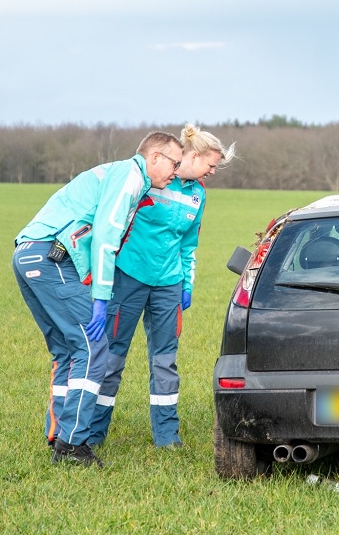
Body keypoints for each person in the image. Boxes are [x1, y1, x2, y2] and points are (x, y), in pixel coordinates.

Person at [12, 131, 184, 466]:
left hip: (28, 255)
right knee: (94, 349)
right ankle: (74, 446)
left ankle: (59, 437)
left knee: (66, 350)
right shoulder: (130, 176)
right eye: (174, 163)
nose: (176, 172)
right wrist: (101, 299)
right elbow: (106, 236)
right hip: (51, 258)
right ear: (154, 157)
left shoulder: (119, 173)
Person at [87, 124, 235, 448]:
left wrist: (187, 284)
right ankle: (92, 434)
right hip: (128, 277)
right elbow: (115, 221)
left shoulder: (199, 194)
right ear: (192, 155)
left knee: (165, 361)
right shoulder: (150, 180)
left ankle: (167, 437)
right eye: (210, 164)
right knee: (112, 358)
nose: (212, 172)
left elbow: (188, 244)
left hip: (169, 284)